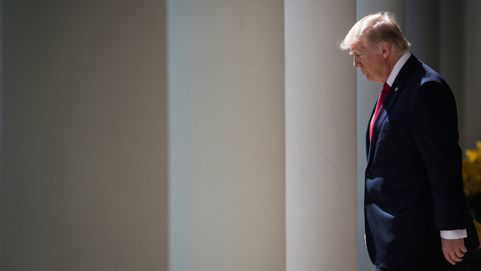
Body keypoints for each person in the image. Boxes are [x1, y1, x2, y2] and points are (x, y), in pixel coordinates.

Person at [340, 11, 479, 271]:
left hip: (417, 242)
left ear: (384, 50)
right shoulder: (396, 88)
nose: (355, 64)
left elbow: (443, 164)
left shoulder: (425, 88)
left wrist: (451, 230)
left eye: (358, 54)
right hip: (395, 236)